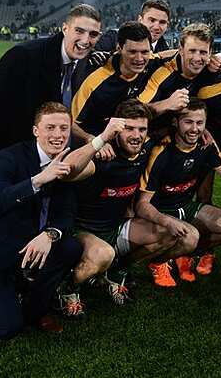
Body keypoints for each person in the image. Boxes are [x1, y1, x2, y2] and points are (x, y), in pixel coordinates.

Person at [57, 100, 197, 314]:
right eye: (129, 128)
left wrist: (208, 136)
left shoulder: (145, 148)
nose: (136, 135)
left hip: (117, 227)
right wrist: (99, 140)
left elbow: (184, 130)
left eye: (141, 129)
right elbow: (68, 171)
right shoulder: (104, 154)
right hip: (84, 231)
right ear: (117, 129)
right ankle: (67, 288)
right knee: (103, 254)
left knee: (171, 233)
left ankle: (118, 270)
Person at [0, 102, 83, 339]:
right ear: (35, 131)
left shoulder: (67, 159)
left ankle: (34, 307)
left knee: (71, 247)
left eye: (64, 128)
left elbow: (67, 214)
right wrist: (37, 180)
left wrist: (50, 235)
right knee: (6, 328)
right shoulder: (9, 157)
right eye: (50, 127)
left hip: (33, 247)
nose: (58, 135)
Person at [0, 4, 102, 191]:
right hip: (17, 151)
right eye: (79, 31)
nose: (85, 40)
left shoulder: (87, 62)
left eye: (93, 35)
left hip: (54, 156)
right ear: (65, 28)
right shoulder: (24, 56)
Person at [137, 99, 221, 286]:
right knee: (191, 238)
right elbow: (142, 204)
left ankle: (182, 253)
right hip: (160, 211)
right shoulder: (162, 151)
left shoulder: (207, 145)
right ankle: (158, 262)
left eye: (200, 123)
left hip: (186, 206)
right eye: (188, 122)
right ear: (176, 122)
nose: (195, 129)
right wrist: (166, 221)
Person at [71, 21, 154, 154]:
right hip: (99, 147)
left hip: (129, 141)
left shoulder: (151, 63)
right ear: (119, 48)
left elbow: (169, 56)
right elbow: (70, 123)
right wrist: (93, 140)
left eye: (144, 52)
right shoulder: (95, 82)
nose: (139, 58)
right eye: (132, 52)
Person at [136, 23, 221, 133]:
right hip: (153, 131)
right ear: (181, 50)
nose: (197, 58)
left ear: (210, 53)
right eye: (192, 51)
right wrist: (167, 104)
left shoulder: (211, 68)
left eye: (203, 52)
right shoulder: (163, 72)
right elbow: (135, 111)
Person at [94, 0, 171, 53]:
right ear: (140, 19)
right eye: (152, 20)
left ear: (167, 24)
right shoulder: (113, 37)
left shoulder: (166, 52)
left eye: (162, 22)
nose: (156, 27)